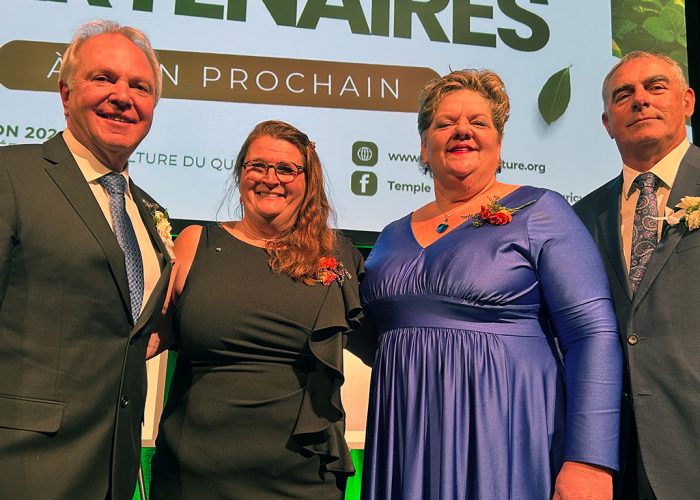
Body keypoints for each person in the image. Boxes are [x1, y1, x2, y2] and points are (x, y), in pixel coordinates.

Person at [360, 69, 623, 499]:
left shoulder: (541, 211)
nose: (461, 130)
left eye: (478, 122)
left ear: (498, 146)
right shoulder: (391, 234)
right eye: (444, 123)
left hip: (505, 432)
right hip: (406, 438)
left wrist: (590, 460)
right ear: (423, 148)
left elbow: (591, 335)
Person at [0, 20, 172, 499]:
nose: (123, 96)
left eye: (140, 86)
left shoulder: (147, 211)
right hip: (20, 467)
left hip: (113, 471)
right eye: (104, 78)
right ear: (65, 94)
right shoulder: (10, 175)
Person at [148, 120, 365, 499]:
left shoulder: (337, 254)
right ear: (240, 173)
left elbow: (383, 343)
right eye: (258, 166)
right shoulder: (195, 243)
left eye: (286, 169)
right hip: (193, 475)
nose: (271, 178)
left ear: (308, 180)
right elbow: (149, 338)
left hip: (300, 478)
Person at [574, 51, 700, 499]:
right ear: (607, 122)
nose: (640, 101)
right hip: (616, 460)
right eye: (623, 95)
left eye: (655, 87)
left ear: (687, 101)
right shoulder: (581, 216)